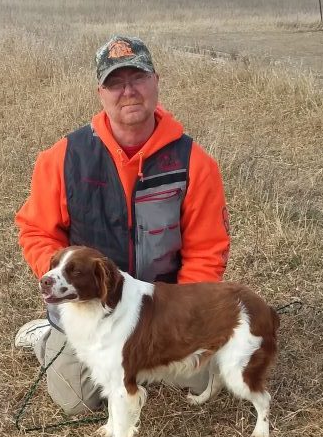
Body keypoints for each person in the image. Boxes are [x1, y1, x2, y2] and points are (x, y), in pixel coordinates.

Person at [14, 35, 230, 415]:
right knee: (79, 401)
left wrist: (179, 316)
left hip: (161, 308)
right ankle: (46, 337)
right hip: (88, 309)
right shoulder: (63, 158)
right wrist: (68, 288)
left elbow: (207, 250)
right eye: (116, 82)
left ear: (156, 82)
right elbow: (37, 232)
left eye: (138, 78)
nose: (128, 91)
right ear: (101, 92)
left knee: (205, 377)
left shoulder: (194, 163)